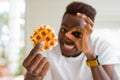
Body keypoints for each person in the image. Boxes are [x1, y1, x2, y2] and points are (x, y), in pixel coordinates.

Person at [23, 1, 120, 80]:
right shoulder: (49, 50)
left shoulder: (102, 47)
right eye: (64, 29)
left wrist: (91, 55)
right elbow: (33, 76)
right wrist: (32, 75)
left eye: (76, 33)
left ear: (88, 35)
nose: (67, 36)